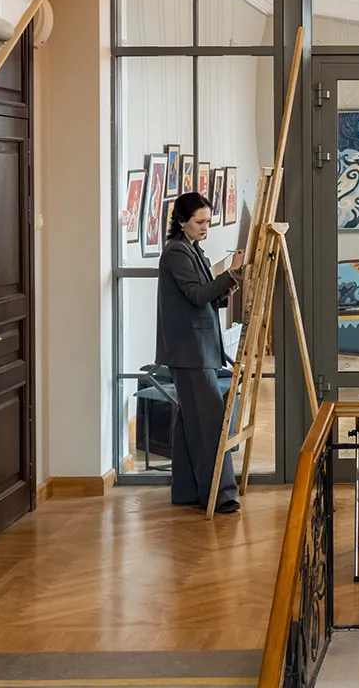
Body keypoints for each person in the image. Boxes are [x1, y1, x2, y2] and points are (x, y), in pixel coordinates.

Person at [156, 192, 245, 513]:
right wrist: (231, 273)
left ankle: (187, 491)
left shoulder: (193, 250)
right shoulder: (177, 252)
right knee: (209, 423)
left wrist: (228, 285)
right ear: (182, 221)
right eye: (199, 222)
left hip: (197, 349)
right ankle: (220, 495)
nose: (205, 227)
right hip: (189, 351)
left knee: (190, 422)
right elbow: (196, 295)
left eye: (208, 221)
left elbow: (208, 299)